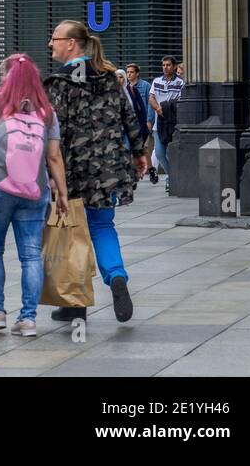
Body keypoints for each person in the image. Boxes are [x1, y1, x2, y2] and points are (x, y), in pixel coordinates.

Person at [0, 54, 69, 337]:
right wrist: (62, 194)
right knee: (31, 254)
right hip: (34, 190)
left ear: (6, 76)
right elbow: (54, 157)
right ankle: (28, 319)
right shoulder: (46, 111)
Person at [45, 21, 148, 325]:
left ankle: (75, 305)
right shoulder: (110, 78)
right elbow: (130, 118)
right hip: (107, 169)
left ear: (72, 44)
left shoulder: (58, 83)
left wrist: (51, 173)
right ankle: (116, 276)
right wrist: (140, 153)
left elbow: (54, 133)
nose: (51, 44)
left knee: (71, 232)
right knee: (103, 227)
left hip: (73, 169)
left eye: (55, 39)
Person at [148, 55, 184, 194]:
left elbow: (180, 99)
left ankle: (172, 178)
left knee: (171, 153)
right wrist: (157, 108)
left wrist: (167, 108)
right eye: (163, 65)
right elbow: (151, 97)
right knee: (159, 152)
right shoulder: (157, 81)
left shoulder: (181, 83)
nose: (165, 67)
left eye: (168, 65)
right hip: (159, 123)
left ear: (174, 66)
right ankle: (172, 175)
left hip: (173, 122)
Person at [123, 63, 153, 183]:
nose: (129, 74)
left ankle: (149, 169)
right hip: (129, 125)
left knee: (142, 148)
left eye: (131, 72)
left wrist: (149, 121)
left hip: (142, 123)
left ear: (137, 73)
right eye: (127, 72)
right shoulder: (126, 88)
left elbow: (149, 104)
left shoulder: (145, 86)